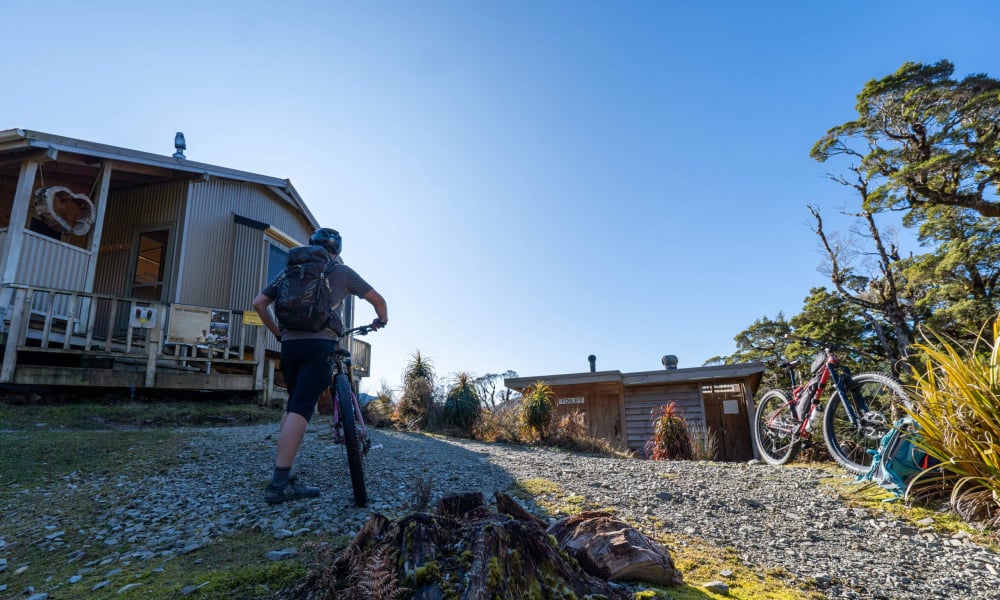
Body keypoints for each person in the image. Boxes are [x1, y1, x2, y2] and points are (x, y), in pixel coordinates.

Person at [252, 227, 388, 504]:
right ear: (337, 250)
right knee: (302, 406)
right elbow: (378, 301)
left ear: (311, 246)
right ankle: (278, 486)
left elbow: (259, 303)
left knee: (295, 404)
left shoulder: (291, 271)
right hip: (321, 344)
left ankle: (283, 468)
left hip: (290, 345)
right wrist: (380, 321)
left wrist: (278, 332)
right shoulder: (342, 271)